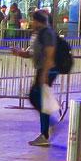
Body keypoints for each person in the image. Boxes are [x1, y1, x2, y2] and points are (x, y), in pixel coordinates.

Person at [26, 8, 64, 147]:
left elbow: (49, 54)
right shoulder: (40, 33)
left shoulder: (47, 33)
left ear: (37, 21)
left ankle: (47, 131)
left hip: (47, 70)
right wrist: (20, 53)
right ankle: (49, 127)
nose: (32, 22)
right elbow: (37, 53)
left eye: (33, 20)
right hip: (44, 69)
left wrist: (45, 73)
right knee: (38, 98)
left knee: (38, 98)